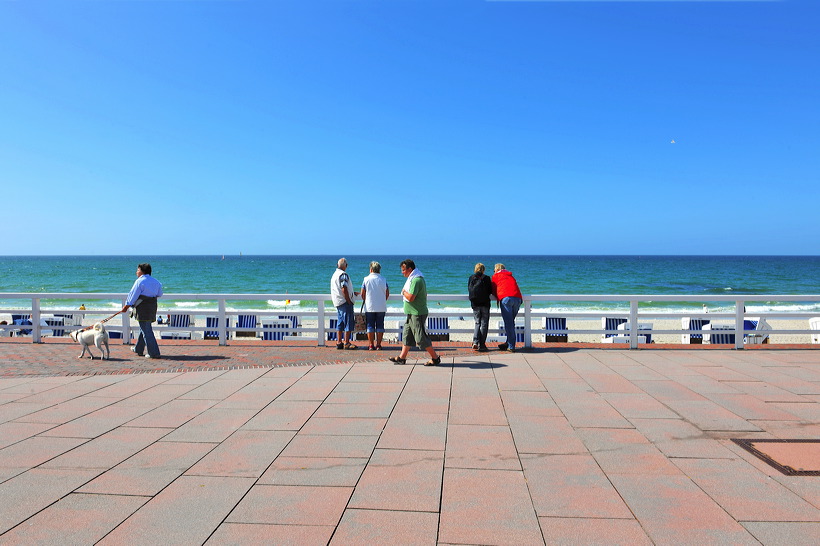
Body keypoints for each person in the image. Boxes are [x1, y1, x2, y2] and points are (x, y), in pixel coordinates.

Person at [389, 259, 441, 366]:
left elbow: (411, 297)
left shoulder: (416, 280)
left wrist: (403, 292)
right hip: (411, 313)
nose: (402, 272)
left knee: (420, 338)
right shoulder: (413, 278)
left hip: (417, 313)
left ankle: (435, 358)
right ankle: (402, 358)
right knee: (407, 336)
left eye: (403, 270)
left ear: (410, 269)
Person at [120, 263, 163, 359]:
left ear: (142, 271)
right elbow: (160, 294)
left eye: (138, 270)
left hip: (142, 307)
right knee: (145, 327)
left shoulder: (139, 281)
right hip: (152, 307)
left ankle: (154, 353)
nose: (136, 272)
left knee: (146, 330)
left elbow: (133, 294)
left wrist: (126, 306)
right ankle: (138, 349)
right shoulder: (156, 282)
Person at [492, 263, 523, 352]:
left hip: (506, 299)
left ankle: (511, 346)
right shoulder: (510, 276)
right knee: (511, 323)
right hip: (517, 299)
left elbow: (494, 290)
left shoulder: (496, 276)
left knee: (509, 323)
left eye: (494, 270)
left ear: (497, 270)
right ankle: (508, 342)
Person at [360, 261, 390, 350]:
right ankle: (379, 345)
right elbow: (387, 293)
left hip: (370, 306)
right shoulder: (383, 279)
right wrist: (382, 300)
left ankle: (371, 345)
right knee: (380, 325)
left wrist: (367, 299)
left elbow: (362, 293)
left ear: (371, 269)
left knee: (370, 326)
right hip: (381, 306)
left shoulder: (366, 279)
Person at [330, 258, 357, 350]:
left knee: (340, 322)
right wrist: (349, 300)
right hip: (344, 302)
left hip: (338, 302)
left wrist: (352, 292)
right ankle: (346, 342)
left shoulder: (334, 275)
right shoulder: (343, 275)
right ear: (345, 266)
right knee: (348, 322)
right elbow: (344, 288)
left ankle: (339, 342)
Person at [468, 262, 492, 352]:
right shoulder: (487, 278)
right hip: (485, 304)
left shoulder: (471, 277)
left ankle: (475, 342)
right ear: (483, 269)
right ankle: (482, 345)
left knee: (477, 323)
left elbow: (469, 289)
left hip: (475, 304)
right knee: (484, 324)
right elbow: (490, 291)